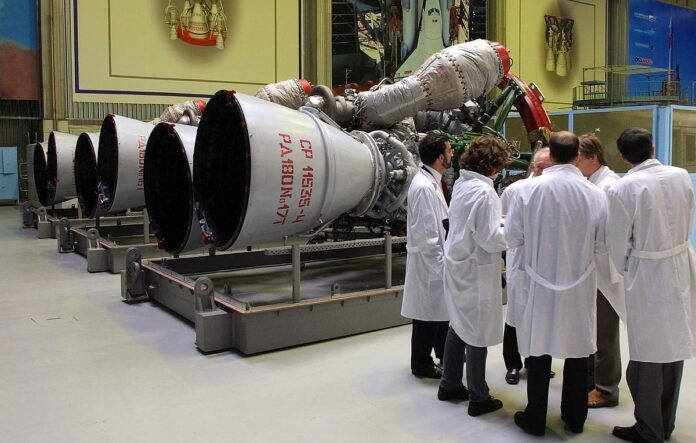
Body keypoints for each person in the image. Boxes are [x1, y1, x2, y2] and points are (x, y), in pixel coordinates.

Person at [505, 131, 606, 436]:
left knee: (538, 351)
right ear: (577, 156)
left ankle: (535, 418)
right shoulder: (595, 194)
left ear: (551, 155)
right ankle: (575, 418)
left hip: (539, 282)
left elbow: (512, 237)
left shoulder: (527, 191)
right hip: (580, 283)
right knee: (577, 352)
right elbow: (602, 245)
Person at [606, 128, 696, 443]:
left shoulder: (624, 188)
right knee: (673, 346)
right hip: (680, 263)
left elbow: (617, 242)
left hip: (647, 272)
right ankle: (665, 423)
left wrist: (627, 268)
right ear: (653, 148)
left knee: (646, 353)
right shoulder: (681, 175)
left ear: (623, 157)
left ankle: (648, 428)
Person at [438, 135, 509, 416]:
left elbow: (470, 224)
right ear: (494, 165)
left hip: (457, 264)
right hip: (476, 270)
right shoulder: (486, 193)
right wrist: (515, 231)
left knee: (458, 324)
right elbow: (489, 239)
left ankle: (449, 383)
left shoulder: (462, 184)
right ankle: (479, 397)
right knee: (477, 332)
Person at [576, 133, 624, 409]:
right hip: (593, 270)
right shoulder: (593, 183)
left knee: (604, 332)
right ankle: (593, 381)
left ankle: (606, 390)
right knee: (593, 330)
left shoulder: (607, 187)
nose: (574, 165)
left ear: (592, 158)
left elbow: (605, 235)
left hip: (604, 272)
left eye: (578, 159)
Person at [501, 146, 554, 385]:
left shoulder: (554, 191)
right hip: (520, 260)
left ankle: (537, 362)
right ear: (534, 166)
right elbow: (504, 225)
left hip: (545, 263)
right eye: (542, 167)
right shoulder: (515, 190)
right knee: (515, 314)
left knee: (541, 317)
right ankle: (513, 364)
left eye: (550, 167)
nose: (545, 171)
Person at [402, 131, 453, 379]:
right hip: (429, 261)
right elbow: (427, 234)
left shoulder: (433, 182)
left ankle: (444, 352)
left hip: (434, 260)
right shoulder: (424, 187)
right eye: (450, 150)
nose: (453, 154)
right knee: (426, 316)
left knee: (437, 313)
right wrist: (440, 265)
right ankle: (421, 364)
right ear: (441, 158)